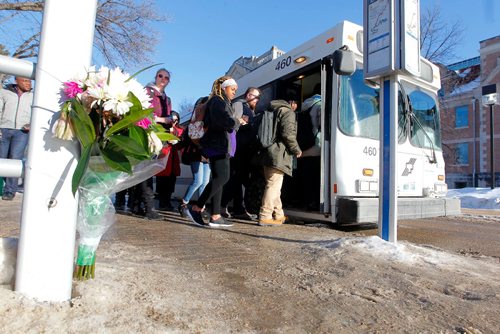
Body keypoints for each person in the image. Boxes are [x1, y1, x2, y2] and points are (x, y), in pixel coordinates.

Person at [187, 76, 242, 227]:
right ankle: (197, 208)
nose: (234, 93)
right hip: (217, 145)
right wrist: (237, 121)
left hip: (217, 144)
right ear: (223, 88)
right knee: (223, 177)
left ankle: (216, 216)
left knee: (218, 178)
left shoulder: (219, 101)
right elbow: (223, 122)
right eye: (232, 89)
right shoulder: (218, 101)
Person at [130, 68, 173, 219]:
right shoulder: (148, 91)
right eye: (160, 76)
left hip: (159, 136)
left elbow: (168, 116)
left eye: (166, 78)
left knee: (145, 171)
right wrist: (162, 120)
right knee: (146, 170)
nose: (163, 79)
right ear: (155, 77)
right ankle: (149, 208)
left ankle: (135, 205)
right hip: (147, 134)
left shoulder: (166, 99)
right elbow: (143, 113)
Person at [253, 99, 302, 226]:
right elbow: (288, 134)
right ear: (293, 103)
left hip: (265, 153)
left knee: (275, 187)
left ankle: (279, 215)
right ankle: (265, 215)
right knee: (273, 186)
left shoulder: (270, 110)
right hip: (278, 154)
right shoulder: (287, 112)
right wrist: (296, 149)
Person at [221, 87, 261, 220]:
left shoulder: (251, 110)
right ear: (249, 95)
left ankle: (239, 209)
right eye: (256, 97)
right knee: (234, 179)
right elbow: (234, 124)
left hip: (245, 150)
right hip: (237, 150)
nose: (257, 100)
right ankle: (222, 205)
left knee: (238, 180)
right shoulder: (239, 104)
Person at [0, 77, 33, 201]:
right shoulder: (4, 92)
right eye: (25, 81)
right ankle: (3, 185)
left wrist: (30, 124)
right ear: (17, 81)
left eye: (29, 81)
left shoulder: (33, 96)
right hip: (4, 129)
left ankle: (9, 191)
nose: (28, 83)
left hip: (22, 132)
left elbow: (36, 113)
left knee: (15, 159)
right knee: (2, 158)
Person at [177, 97, 211, 218]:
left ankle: (201, 208)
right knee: (198, 181)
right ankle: (183, 203)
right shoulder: (194, 121)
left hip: (207, 155)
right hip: (195, 154)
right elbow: (186, 139)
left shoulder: (209, 119)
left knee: (205, 183)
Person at [296, 83, 321, 211]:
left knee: (305, 178)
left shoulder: (304, 105)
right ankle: (314, 203)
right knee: (315, 179)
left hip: (303, 148)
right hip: (316, 147)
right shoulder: (320, 105)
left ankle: (305, 202)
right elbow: (323, 124)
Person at [155, 110, 183, 211]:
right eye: (172, 119)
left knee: (171, 181)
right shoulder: (162, 128)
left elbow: (181, 143)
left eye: (176, 119)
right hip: (164, 156)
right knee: (162, 181)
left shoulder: (179, 129)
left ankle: (168, 202)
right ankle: (162, 202)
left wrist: (178, 140)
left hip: (174, 158)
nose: (174, 121)